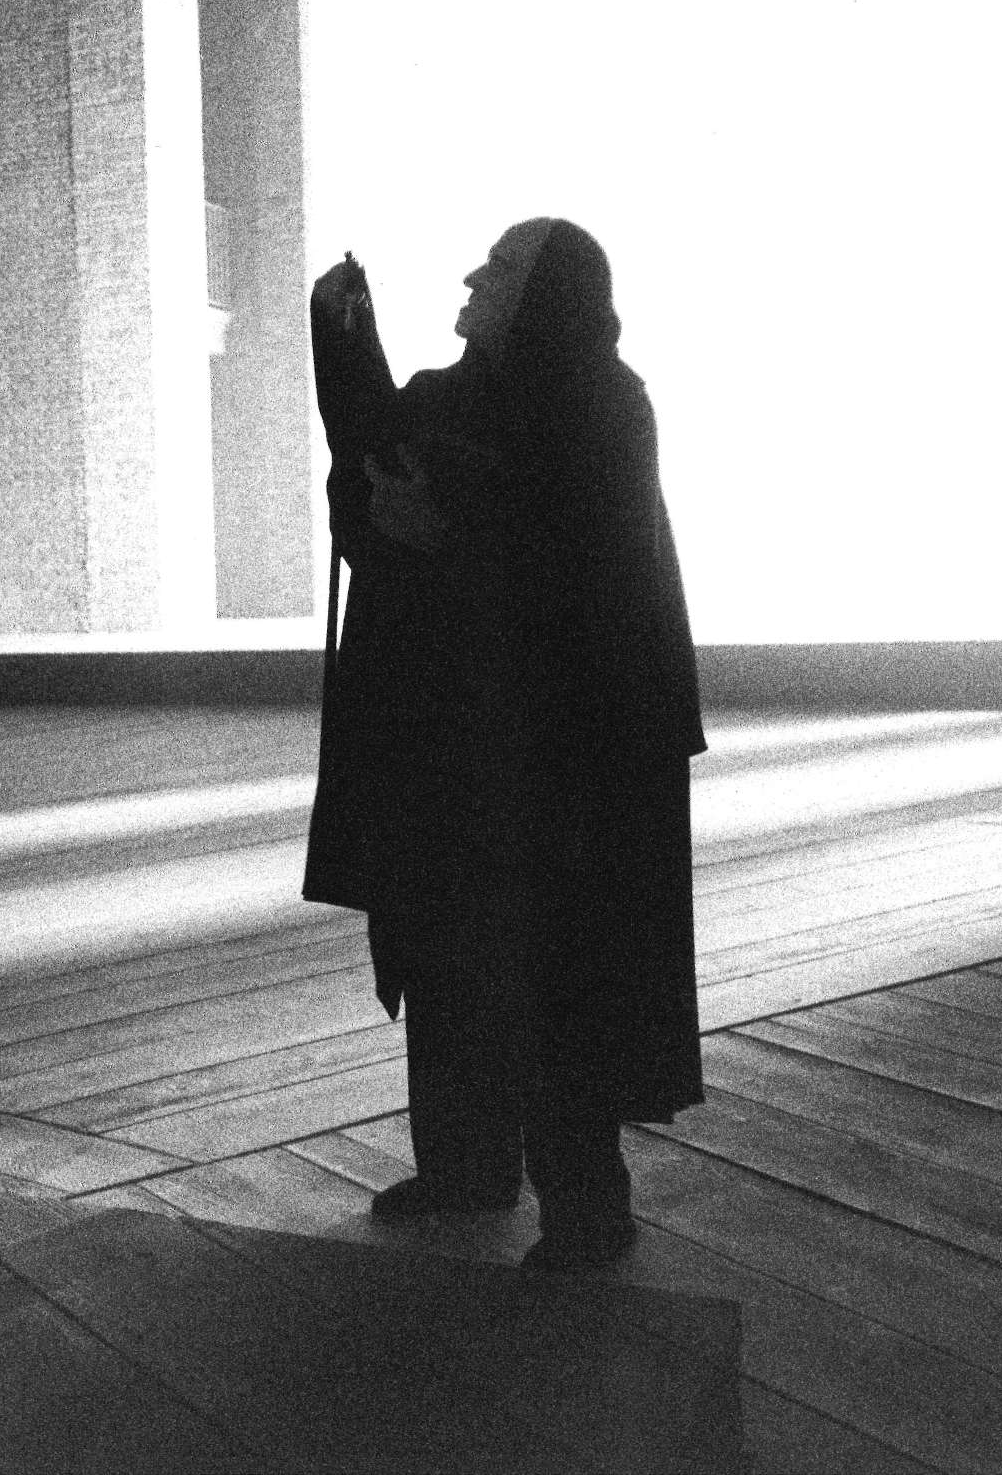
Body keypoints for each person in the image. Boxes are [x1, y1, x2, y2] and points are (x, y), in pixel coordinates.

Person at [303, 219, 705, 1271]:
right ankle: (465, 1167)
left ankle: (587, 1208)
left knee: (553, 969)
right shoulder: (445, 396)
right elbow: (368, 477)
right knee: (451, 954)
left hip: (558, 752)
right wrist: (344, 347)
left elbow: (589, 566)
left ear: (548, 296)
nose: (475, 275)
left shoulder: (602, 406)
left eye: (504, 266)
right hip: (457, 739)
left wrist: (440, 534)